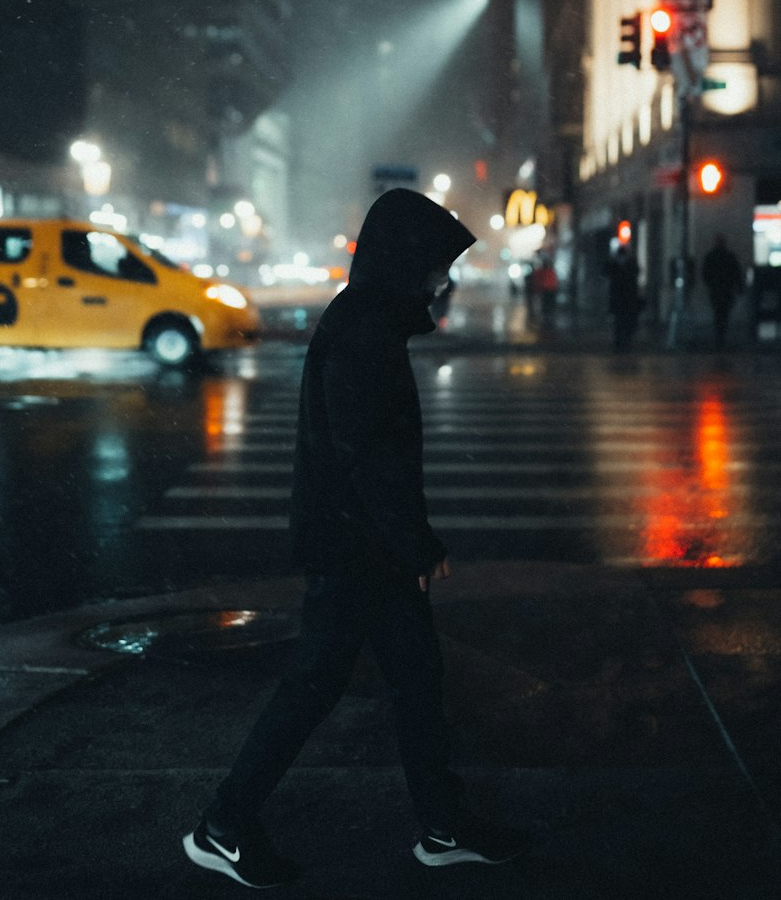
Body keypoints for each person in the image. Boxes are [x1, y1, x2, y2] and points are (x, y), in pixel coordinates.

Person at [183, 188, 531, 888]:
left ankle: (441, 824)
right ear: (403, 261)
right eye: (434, 266)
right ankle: (223, 825)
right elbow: (366, 454)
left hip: (366, 545)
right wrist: (417, 542)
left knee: (415, 681)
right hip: (356, 550)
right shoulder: (362, 332)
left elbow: (369, 452)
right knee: (316, 685)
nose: (442, 280)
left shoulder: (370, 322)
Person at [701, 234, 745, 350]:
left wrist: (710, 284)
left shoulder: (711, 256)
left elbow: (705, 273)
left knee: (718, 313)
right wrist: (739, 287)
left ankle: (719, 337)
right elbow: (737, 272)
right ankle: (721, 336)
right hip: (726, 289)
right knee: (724, 313)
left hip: (717, 289)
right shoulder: (729, 256)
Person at [606, 243, 640, 352]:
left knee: (621, 323)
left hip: (622, 300)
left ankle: (622, 342)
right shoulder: (627, 265)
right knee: (623, 322)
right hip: (625, 300)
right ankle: (623, 342)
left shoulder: (625, 265)